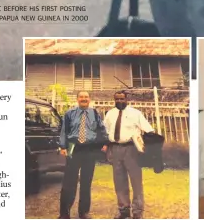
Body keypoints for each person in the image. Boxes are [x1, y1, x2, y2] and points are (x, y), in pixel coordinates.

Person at [103, 90, 154, 220]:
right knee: (119, 181)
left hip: (132, 150)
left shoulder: (135, 113)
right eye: (117, 99)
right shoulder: (110, 114)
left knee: (136, 181)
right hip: (115, 149)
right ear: (114, 100)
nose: (119, 101)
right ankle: (124, 210)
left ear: (127, 99)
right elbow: (106, 131)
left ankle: (137, 212)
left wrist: (148, 147)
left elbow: (148, 130)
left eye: (122, 99)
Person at [58, 90, 107, 220]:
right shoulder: (69, 113)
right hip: (73, 147)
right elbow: (64, 131)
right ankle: (64, 213)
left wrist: (104, 142)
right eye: (81, 97)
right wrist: (63, 146)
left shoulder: (95, 113)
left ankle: (84, 212)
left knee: (86, 182)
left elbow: (101, 129)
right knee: (69, 182)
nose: (84, 99)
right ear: (77, 99)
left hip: (89, 149)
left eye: (86, 97)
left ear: (89, 99)